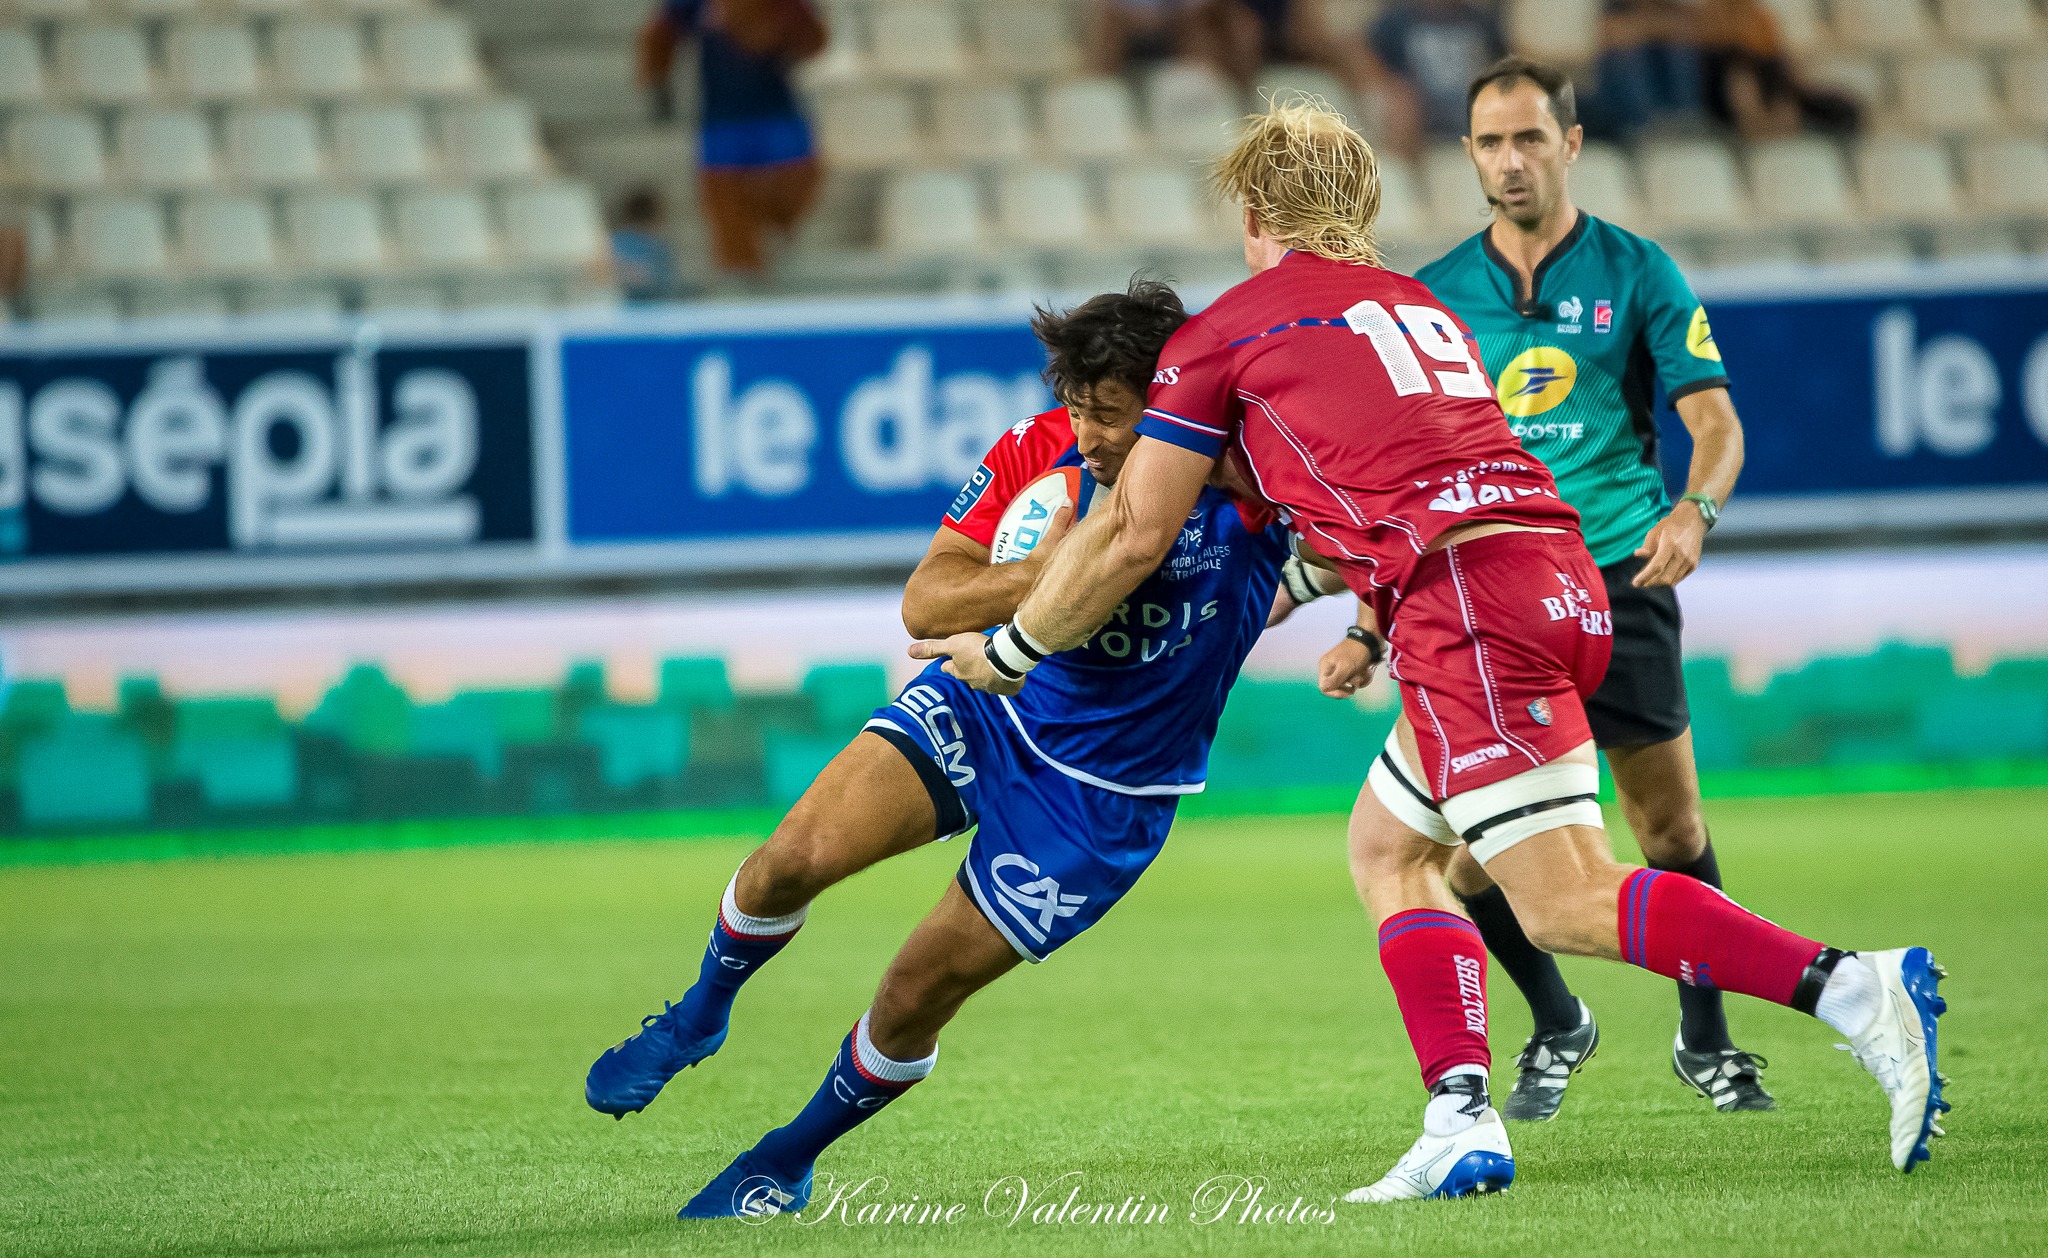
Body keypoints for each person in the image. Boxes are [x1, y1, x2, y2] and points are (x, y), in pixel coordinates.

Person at [923, 99, 1949, 1199]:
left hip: (1468, 605)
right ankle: (1460, 1116)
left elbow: (1133, 532)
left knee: (1561, 898)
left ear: (1256, 213)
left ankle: (1853, 988)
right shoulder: (1418, 306)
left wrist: (1014, 651)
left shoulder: (1223, 334)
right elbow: (1392, 480)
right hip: (1554, 577)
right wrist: (1341, 598)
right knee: (1390, 849)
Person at [583, 281, 1293, 1220]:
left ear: (1167, 399)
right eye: (1077, 408)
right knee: (788, 860)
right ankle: (699, 1013)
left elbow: (1351, 528)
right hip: (991, 705)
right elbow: (925, 603)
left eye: (1110, 415)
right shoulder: (1038, 448)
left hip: (1102, 796)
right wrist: (1039, 577)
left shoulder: (1254, 481)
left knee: (915, 992)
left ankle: (783, 1161)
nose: (1086, 436)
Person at [1386, 55, 1765, 1120]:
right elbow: (1409, 468)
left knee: (1668, 829)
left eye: (1528, 139)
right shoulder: (1432, 296)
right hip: (1488, 595)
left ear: (1571, 144)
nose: (1509, 161)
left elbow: (1715, 425)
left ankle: (1706, 1039)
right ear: (1468, 154)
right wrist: (1375, 624)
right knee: (1473, 854)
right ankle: (1556, 1018)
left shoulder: (1639, 271)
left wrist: (1694, 510)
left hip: (1616, 574)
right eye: (1489, 143)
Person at [637, 0, 825, 278]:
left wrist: (789, 30)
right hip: (722, 121)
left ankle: (768, 234)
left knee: (795, 182)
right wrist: (658, 78)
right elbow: (662, 33)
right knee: (725, 201)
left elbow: (812, 39)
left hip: (777, 112)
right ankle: (741, 268)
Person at [1698, 0, 1860, 140]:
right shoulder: (1731, 56)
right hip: (1744, 101)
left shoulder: (1762, 21)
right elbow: (1748, 114)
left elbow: (1787, 83)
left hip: (1774, 88)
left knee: (1843, 111)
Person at [1366, 0, 1508, 158]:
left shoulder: (1483, 22)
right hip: (1420, 130)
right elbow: (1373, 66)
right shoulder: (1394, 24)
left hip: (1473, 128)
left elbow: (1501, 69)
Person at [609, 186, 679, 303]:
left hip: (660, 306)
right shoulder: (619, 242)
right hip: (634, 307)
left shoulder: (659, 245)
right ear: (655, 216)